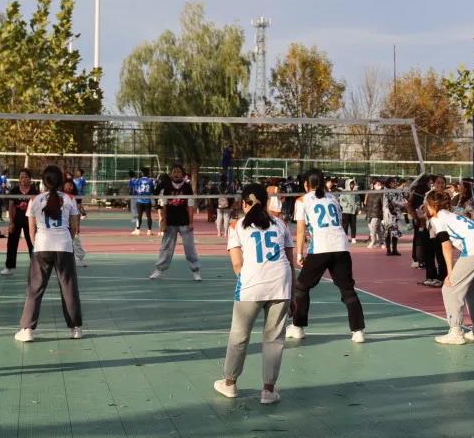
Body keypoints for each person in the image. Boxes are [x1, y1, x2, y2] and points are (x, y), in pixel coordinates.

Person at [213, 183, 294, 403]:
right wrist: (293, 292)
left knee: (239, 335)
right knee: (274, 339)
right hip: (281, 284)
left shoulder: (236, 226)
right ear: (266, 203)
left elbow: (237, 264)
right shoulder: (281, 224)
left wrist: (249, 281)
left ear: (243, 203)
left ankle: (230, 384)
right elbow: (290, 261)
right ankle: (268, 390)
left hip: (251, 284)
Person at [288, 168, 366, 343]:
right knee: (347, 289)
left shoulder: (302, 200)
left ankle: (297, 327)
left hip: (321, 248)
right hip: (341, 246)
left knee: (302, 287)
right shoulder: (332, 198)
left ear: (306, 184)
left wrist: (299, 253)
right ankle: (358, 331)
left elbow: (300, 230)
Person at [15, 166, 83, 342]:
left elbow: (31, 230)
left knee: (35, 288)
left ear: (43, 181)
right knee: (69, 288)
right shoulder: (69, 199)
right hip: (64, 246)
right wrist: (66, 239)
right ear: (61, 180)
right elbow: (74, 227)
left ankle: (27, 330)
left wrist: (36, 244)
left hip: (42, 246)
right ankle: (75, 328)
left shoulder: (35, 200)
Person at [424, 189, 474, 345]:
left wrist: (450, 273)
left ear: (432, 205)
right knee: (473, 291)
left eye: (426, 204)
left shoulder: (437, 218)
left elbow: (446, 246)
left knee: (449, 289)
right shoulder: (452, 215)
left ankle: (456, 331)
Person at [149, 164, 202, 281]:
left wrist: (191, 222)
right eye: (174, 172)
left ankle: (196, 271)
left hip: (184, 222)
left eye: (179, 172)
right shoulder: (166, 186)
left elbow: (190, 205)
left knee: (189, 247)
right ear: (171, 174)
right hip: (170, 222)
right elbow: (163, 206)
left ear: (183, 174)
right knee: (166, 247)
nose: (176, 174)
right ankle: (159, 270)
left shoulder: (187, 187)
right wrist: (163, 222)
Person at [1, 169, 38, 276]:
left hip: (30, 222)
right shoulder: (14, 191)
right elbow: (11, 207)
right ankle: (9, 267)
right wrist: (11, 222)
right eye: (21, 177)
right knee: (12, 244)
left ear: (30, 179)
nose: (23, 179)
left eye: (25, 177)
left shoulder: (35, 192)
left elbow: (38, 208)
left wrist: (36, 224)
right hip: (16, 221)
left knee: (33, 244)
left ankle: (35, 267)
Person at [63, 178, 87, 267]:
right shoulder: (59, 196)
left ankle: (79, 259)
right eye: (67, 185)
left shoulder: (75, 198)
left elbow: (77, 213)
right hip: (63, 224)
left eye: (71, 185)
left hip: (72, 223)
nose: (69, 187)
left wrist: (77, 226)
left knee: (76, 241)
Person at [383, 177, 405, 256]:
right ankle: (388, 249)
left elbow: (402, 200)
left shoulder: (398, 191)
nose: (395, 183)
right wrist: (398, 204)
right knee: (388, 232)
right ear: (389, 183)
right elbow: (390, 202)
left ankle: (395, 249)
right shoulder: (386, 191)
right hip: (388, 214)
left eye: (396, 182)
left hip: (397, 214)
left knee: (396, 232)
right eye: (393, 182)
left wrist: (404, 204)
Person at [133, 167, 155, 236]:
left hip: (139, 200)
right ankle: (149, 231)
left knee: (139, 216)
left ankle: (138, 230)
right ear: (148, 173)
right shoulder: (150, 181)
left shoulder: (138, 180)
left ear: (142, 173)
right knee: (149, 216)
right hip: (147, 201)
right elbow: (152, 190)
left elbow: (135, 189)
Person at [363, 179, 384, 248]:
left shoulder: (382, 193)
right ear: (373, 185)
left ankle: (373, 241)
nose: (379, 186)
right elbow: (367, 203)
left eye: (380, 184)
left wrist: (383, 215)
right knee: (378, 229)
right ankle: (381, 242)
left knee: (373, 227)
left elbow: (383, 204)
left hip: (377, 213)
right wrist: (366, 212)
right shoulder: (370, 193)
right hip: (370, 213)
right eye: (377, 184)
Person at [338, 178, 360, 244]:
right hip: (346, 211)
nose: (352, 185)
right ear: (347, 184)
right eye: (351, 184)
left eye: (353, 184)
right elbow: (341, 201)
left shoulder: (355, 192)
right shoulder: (344, 192)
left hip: (353, 211)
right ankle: (345, 237)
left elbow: (358, 200)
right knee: (345, 225)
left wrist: (357, 207)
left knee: (353, 225)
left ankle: (353, 238)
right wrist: (347, 205)